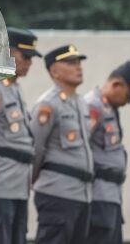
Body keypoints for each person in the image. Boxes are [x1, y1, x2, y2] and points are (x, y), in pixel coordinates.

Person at [0, 27, 41, 244]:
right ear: (8, 52)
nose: (29, 63)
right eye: (25, 56)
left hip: (18, 186)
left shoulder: (14, 87)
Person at [30, 44, 93, 244]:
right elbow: (36, 149)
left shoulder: (81, 103)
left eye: (79, 62)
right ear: (54, 71)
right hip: (57, 193)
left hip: (82, 195)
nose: (78, 67)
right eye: (71, 63)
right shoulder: (48, 104)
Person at [85, 61, 130, 244]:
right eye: (129, 96)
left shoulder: (109, 109)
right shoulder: (93, 107)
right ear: (116, 85)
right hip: (97, 197)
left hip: (110, 196)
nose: (128, 102)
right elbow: (79, 150)